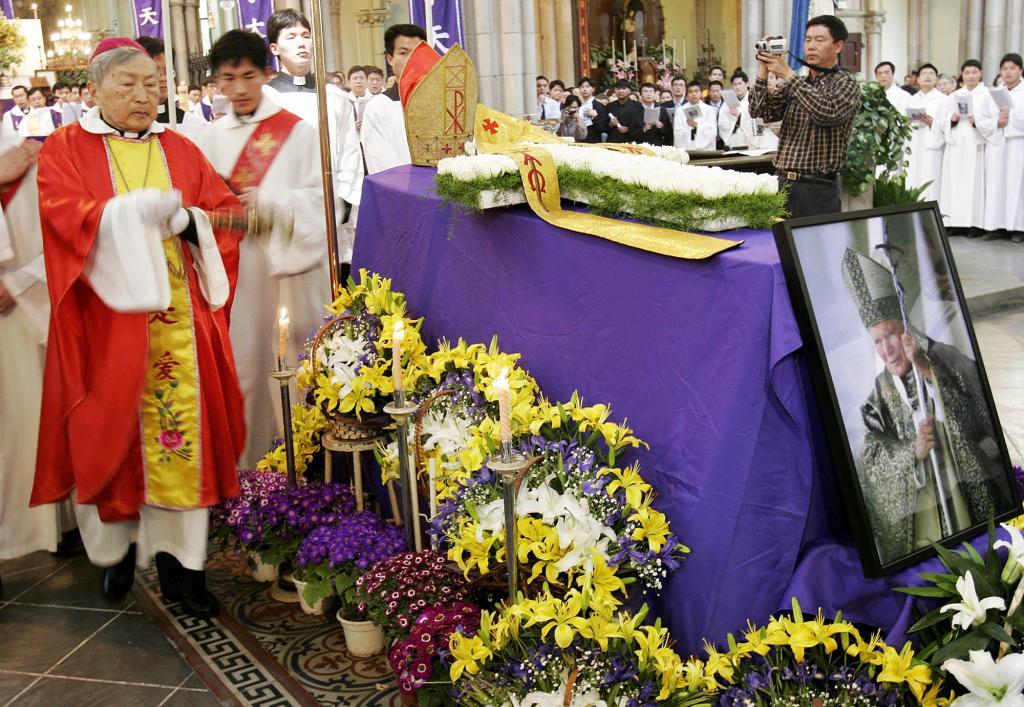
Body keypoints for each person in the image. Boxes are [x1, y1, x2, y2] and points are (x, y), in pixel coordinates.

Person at [31, 37, 246, 616]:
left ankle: (186, 572)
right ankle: (116, 556)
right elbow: (61, 217)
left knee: (185, 448)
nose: (142, 96)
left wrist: (191, 220)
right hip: (107, 328)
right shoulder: (64, 148)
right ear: (95, 89)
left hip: (181, 324)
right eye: (127, 85)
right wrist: (131, 212)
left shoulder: (181, 146)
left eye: (151, 84)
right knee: (112, 442)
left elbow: (226, 211)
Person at [197, 29, 329, 469]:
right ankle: (252, 469)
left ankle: (306, 468)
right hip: (235, 271)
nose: (237, 89)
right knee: (245, 367)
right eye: (227, 78)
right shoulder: (208, 138)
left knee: (291, 363)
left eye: (247, 76)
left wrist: (268, 207)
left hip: (287, 271)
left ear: (266, 74)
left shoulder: (299, 134)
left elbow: (324, 204)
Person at [841, 247, 1010, 566]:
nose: (887, 349)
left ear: (906, 328)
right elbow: (871, 463)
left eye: (889, 335)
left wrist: (928, 371)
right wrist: (912, 453)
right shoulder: (877, 398)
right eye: (877, 341)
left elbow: (980, 416)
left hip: (968, 507)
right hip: (923, 522)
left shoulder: (947, 359)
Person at [0, 132, 68, 564]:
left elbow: (67, 235)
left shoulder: (30, 152)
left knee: (31, 416)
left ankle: (45, 525)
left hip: (23, 312)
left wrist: (19, 283)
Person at [262, 9, 363, 254]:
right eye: (291, 36)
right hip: (287, 214)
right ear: (275, 48)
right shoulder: (266, 99)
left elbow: (351, 152)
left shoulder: (333, 96)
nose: (301, 43)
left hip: (332, 209)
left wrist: (343, 202)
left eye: (305, 35)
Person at [749, 15, 860, 218]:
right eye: (807, 40)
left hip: (818, 187)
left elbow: (826, 113)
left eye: (819, 40)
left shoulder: (846, 83)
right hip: (782, 182)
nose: (811, 46)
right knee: (778, 247)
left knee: (815, 248)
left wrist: (788, 74)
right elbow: (758, 111)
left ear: (838, 46)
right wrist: (763, 70)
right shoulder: (798, 83)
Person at [361, 23, 426, 175]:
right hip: (403, 192)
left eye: (417, 53)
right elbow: (381, 164)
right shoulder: (378, 107)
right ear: (390, 58)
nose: (412, 60)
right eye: (404, 53)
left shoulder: (441, 102)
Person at [938, 59, 990, 237]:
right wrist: (951, 120)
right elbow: (943, 121)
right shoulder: (954, 96)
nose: (970, 76)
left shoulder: (986, 95)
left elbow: (992, 121)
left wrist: (978, 122)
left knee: (973, 184)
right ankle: (953, 222)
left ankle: (973, 224)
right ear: (962, 75)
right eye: (967, 73)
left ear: (980, 73)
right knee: (953, 182)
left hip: (974, 145)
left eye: (974, 72)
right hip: (956, 144)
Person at [977, 53, 1024, 243]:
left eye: (1012, 68)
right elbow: (981, 120)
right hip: (997, 144)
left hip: (1018, 144)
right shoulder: (992, 93)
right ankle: (996, 227)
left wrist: (1010, 118)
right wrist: (997, 122)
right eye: (1004, 69)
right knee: (996, 184)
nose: (1007, 72)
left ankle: (1018, 228)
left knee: (1016, 185)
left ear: (1020, 70)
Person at [134, 36, 207, 142]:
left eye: (167, 71)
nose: (163, 78)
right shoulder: (126, 128)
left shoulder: (195, 125)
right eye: (155, 71)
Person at [905, 63, 946, 202]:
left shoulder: (943, 100)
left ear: (936, 79)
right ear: (918, 79)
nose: (927, 76)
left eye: (931, 74)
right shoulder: (912, 98)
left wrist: (931, 123)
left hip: (932, 146)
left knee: (930, 180)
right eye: (924, 74)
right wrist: (907, 120)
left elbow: (947, 126)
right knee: (913, 179)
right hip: (914, 144)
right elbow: (903, 122)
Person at [673, 79, 716, 150]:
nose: (694, 94)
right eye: (690, 92)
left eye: (696, 91)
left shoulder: (710, 110)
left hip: (705, 151)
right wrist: (688, 128)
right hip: (686, 149)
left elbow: (712, 132)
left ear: (701, 93)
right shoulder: (680, 111)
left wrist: (696, 125)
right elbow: (677, 133)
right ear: (686, 94)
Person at [605, 78, 644, 143]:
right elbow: (603, 127)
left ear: (629, 91)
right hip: (613, 143)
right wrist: (610, 124)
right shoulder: (609, 106)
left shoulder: (637, 106)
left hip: (632, 142)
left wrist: (628, 129)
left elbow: (641, 127)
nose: (620, 91)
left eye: (623, 88)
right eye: (618, 89)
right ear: (614, 90)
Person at [576, 77, 608, 143]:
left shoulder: (600, 106)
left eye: (587, 87)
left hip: (593, 141)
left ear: (593, 89)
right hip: (578, 140)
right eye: (582, 87)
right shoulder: (577, 105)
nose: (584, 89)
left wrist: (595, 116)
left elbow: (603, 128)